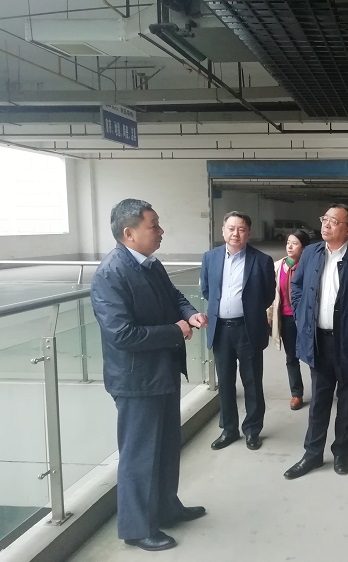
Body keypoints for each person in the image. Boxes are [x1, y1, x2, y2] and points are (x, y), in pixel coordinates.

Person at [90, 199, 208, 552]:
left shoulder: (150, 264)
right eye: (153, 225)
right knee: (139, 455)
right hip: (136, 380)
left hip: (162, 372)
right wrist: (176, 330)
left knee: (167, 447)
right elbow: (122, 335)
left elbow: (174, 297)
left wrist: (189, 314)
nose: (161, 231)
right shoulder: (111, 274)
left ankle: (166, 507)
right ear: (129, 233)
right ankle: (137, 528)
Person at [283, 203, 348, 479]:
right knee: (319, 400)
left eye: (334, 221)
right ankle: (312, 454)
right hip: (319, 340)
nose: (326, 225)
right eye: (325, 219)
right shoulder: (311, 253)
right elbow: (296, 285)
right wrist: (302, 311)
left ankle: (341, 452)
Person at [201, 211, 275, 451]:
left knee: (252, 381)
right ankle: (229, 429)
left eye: (241, 229)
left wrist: (248, 311)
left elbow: (268, 295)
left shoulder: (262, 260)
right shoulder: (210, 258)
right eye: (231, 228)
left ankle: (252, 430)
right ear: (223, 231)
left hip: (248, 329)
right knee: (225, 382)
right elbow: (207, 291)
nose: (235, 233)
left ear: (248, 233)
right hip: (220, 330)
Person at [268, 229, 311, 410]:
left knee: (314, 355)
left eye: (295, 243)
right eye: (288, 243)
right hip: (286, 318)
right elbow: (271, 294)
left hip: (307, 319)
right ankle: (296, 394)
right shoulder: (278, 266)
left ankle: (321, 390)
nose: (290, 247)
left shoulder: (310, 266)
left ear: (304, 247)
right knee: (291, 357)